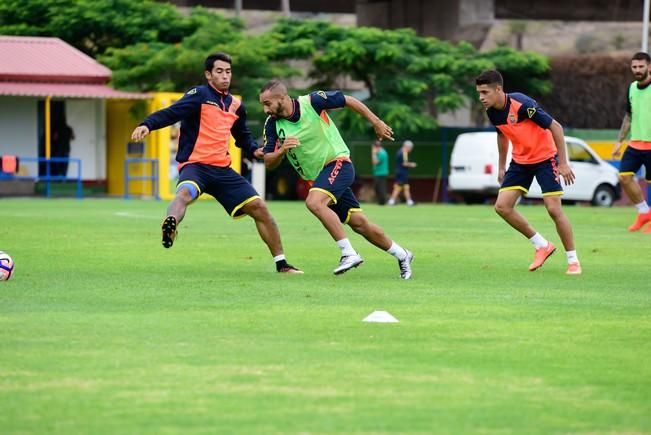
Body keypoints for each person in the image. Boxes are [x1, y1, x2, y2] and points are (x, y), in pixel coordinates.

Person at [131, 53, 301, 274]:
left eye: (228, 72)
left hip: (222, 170)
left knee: (259, 208)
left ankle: (282, 264)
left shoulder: (236, 106)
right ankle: (171, 222)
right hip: (195, 166)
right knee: (184, 195)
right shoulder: (199, 95)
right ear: (208, 74)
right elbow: (172, 113)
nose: (225, 76)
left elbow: (243, 136)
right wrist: (147, 124)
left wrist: (255, 150)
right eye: (219, 71)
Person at [259, 80, 414, 279]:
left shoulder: (312, 102)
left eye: (267, 103)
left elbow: (348, 100)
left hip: (338, 164)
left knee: (314, 202)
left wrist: (376, 122)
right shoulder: (272, 125)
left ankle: (348, 253)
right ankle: (403, 255)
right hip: (321, 180)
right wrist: (281, 150)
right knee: (360, 224)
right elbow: (269, 161)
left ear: (282, 98)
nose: (265, 109)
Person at [475, 70, 581, 275]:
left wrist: (564, 163)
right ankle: (542, 245)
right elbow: (502, 136)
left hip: (545, 158)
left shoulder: (522, 105)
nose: (481, 97)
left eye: (485, 92)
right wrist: (501, 166)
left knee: (553, 209)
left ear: (498, 89)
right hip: (520, 161)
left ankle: (573, 260)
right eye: (479, 92)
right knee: (502, 207)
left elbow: (556, 127)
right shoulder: (492, 112)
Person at [612, 51, 651, 233]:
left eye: (641, 66)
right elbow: (628, 116)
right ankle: (643, 212)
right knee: (624, 177)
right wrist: (620, 141)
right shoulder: (632, 88)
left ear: (649, 67)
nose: (637, 70)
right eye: (634, 67)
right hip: (635, 144)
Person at [387, 140, 417, 206]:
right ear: (407, 147)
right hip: (402, 173)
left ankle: (409, 201)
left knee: (406, 187)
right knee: (398, 187)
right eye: (410, 148)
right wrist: (412, 164)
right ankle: (391, 201)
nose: (410, 150)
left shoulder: (399, 151)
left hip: (400, 172)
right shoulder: (404, 153)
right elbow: (405, 163)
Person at [371, 140, 389, 205]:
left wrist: (373, 154)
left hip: (381, 173)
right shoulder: (380, 153)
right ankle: (380, 202)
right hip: (378, 173)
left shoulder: (382, 153)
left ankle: (383, 202)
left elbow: (375, 162)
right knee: (377, 188)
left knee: (381, 188)